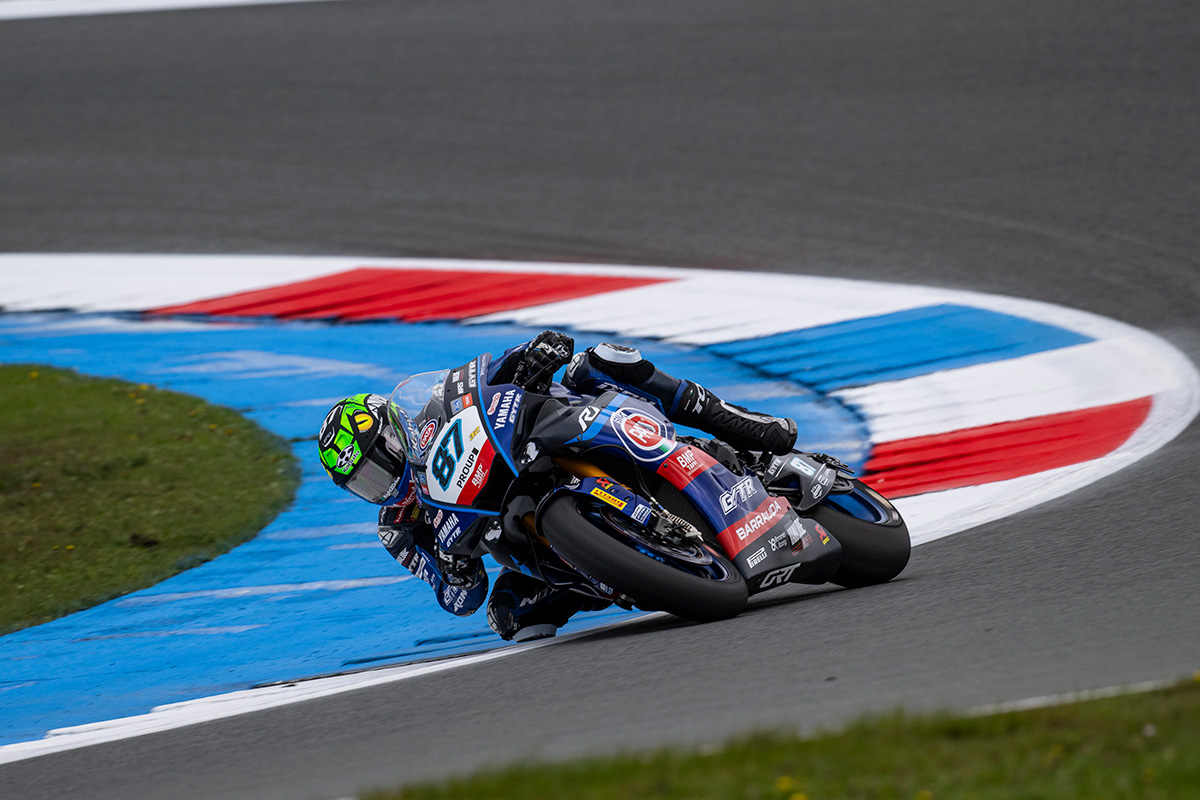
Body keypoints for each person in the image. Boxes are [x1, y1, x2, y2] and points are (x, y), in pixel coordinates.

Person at [318, 331, 797, 641]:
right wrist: (452, 569)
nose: (381, 485)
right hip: (519, 535)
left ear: (396, 433)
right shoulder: (398, 528)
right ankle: (627, 572)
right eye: (364, 484)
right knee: (510, 615)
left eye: (379, 466)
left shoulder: (434, 410)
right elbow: (459, 600)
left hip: (547, 435)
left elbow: (487, 373)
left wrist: (535, 352)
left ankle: (744, 426)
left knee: (600, 362)